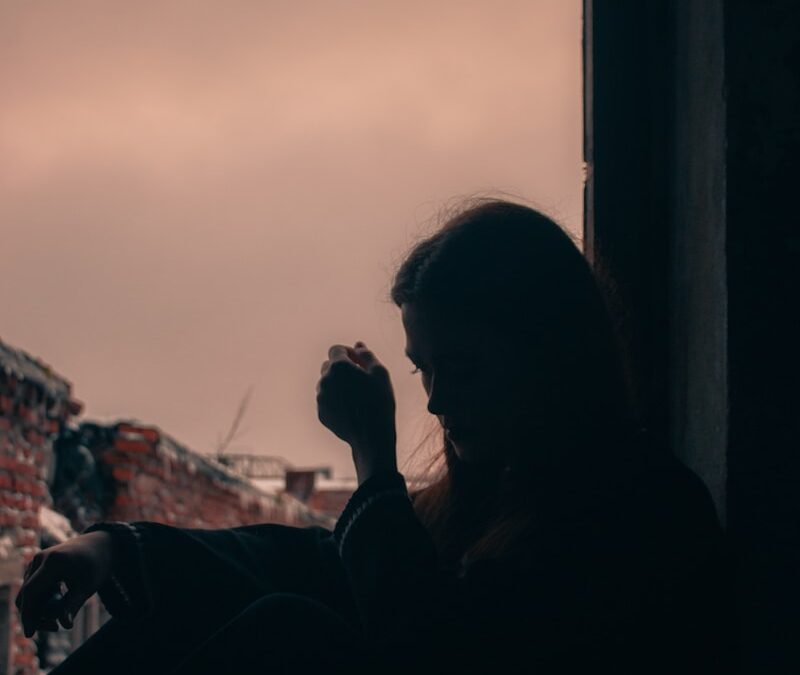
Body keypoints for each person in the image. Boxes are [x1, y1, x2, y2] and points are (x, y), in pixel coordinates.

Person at [15, 199, 731, 674]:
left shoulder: (641, 515)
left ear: (551, 355)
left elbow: (426, 654)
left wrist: (373, 458)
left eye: (464, 369)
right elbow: (321, 564)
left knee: (289, 631)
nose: (438, 400)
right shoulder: (493, 495)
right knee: (196, 615)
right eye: (424, 369)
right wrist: (114, 548)